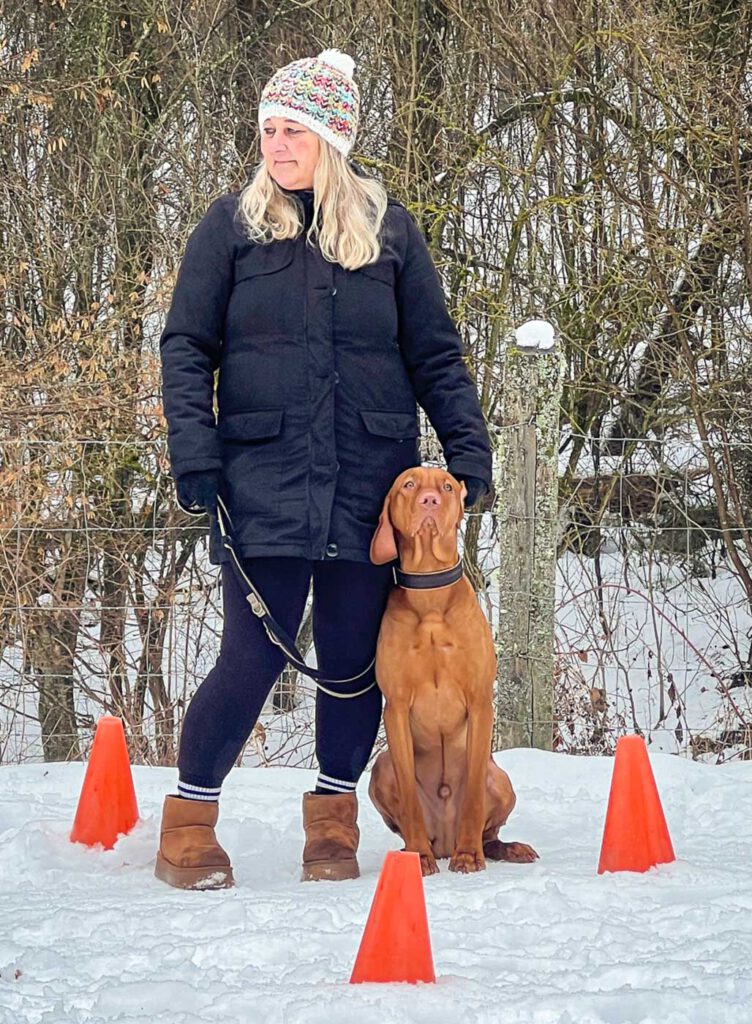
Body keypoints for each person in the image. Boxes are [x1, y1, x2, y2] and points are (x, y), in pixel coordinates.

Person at [155, 49, 492, 889]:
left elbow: (436, 357)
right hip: (259, 482)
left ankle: (332, 827)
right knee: (251, 657)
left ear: (332, 138)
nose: (276, 144)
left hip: (366, 483)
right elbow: (186, 348)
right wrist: (195, 454)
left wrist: (467, 454)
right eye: (267, 128)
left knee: (348, 662)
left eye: (293, 129)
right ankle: (189, 827)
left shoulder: (390, 231)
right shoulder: (228, 227)